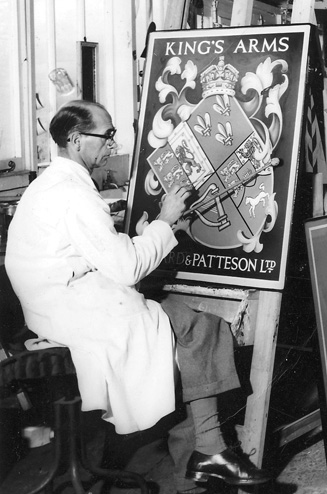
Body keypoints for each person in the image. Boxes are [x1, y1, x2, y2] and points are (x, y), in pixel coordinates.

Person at [5, 100, 271, 493]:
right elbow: (128, 269)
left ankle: (202, 457)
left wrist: (147, 236)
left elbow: (94, 254)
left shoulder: (51, 184)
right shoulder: (74, 194)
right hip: (76, 313)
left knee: (183, 331)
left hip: (52, 307)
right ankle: (209, 451)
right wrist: (164, 220)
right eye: (107, 135)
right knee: (201, 326)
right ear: (76, 140)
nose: (113, 143)